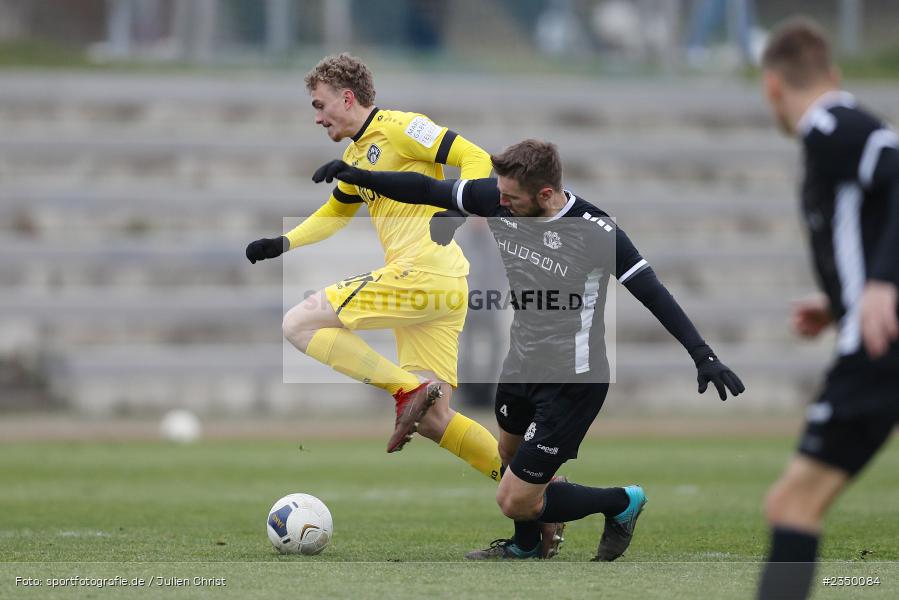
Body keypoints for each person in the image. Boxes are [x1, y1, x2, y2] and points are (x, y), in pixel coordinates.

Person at [312, 139, 745, 560]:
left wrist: (702, 354)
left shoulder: (596, 231)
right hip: (520, 365)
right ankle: (526, 545)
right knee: (506, 454)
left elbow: (653, 293)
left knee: (514, 500)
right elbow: (428, 189)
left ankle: (620, 502)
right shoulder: (502, 197)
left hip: (573, 380)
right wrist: (360, 177)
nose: (501, 204)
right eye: (499, 195)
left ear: (546, 194)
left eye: (511, 198)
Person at [245, 54, 504, 485]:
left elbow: (476, 158)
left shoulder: (403, 127)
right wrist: (284, 243)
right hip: (443, 287)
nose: (316, 117)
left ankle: (404, 388)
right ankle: (539, 493)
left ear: (347, 99)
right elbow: (335, 212)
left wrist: (458, 210)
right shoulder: (355, 155)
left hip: (422, 272)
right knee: (435, 421)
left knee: (298, 324)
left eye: (319, 105)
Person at [755, 19, 899, 600]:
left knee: (792, 503)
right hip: (869, 338)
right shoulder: (833, 137)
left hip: (875, 353)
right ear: (832, 73)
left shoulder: (830, 124)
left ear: (772, 87)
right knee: (796, 502)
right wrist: (840, 301)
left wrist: (884, 285)